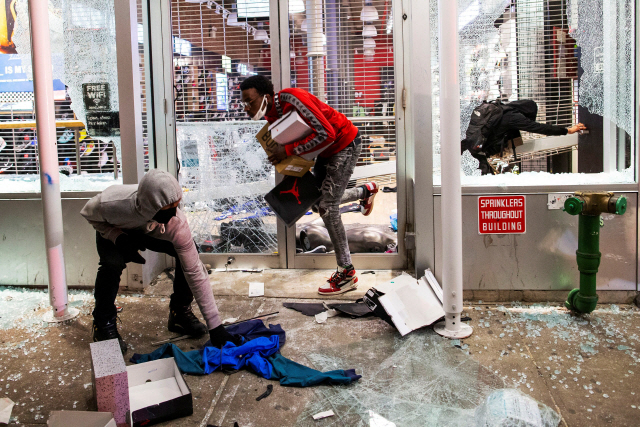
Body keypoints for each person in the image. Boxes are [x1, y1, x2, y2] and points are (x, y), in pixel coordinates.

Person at [239, 75, 378, 295]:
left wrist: (286, 151)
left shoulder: (292, 99)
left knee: (327, 208)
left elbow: (326, 133)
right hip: (325, 152)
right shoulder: (272, 117)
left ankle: (346, 273)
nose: (246, 107)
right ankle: (365, 191)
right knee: (316, 199)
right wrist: (290, 169)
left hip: (343, 144)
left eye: (249, 101)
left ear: (265, 97)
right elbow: (302, 142)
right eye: (243, 103)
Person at [81, 169, 239, 353]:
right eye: (167, 209)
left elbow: (195, 271)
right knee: (112, 264)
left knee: (189, 255)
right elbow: (89, 215)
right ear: (150, 206)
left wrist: (215, 325)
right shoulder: (111, 204)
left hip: (153, 229)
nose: (174, 213)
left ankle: (179, 313)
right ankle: (103, 324)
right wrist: (118, 238)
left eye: (177, 205)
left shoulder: (176, 223)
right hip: (116, 228)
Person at [463, 99, 587, 174]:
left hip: (474, 145)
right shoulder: (514, 117)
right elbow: (539, 128)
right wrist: (568, 130)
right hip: (484, 150)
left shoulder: (503, 109)